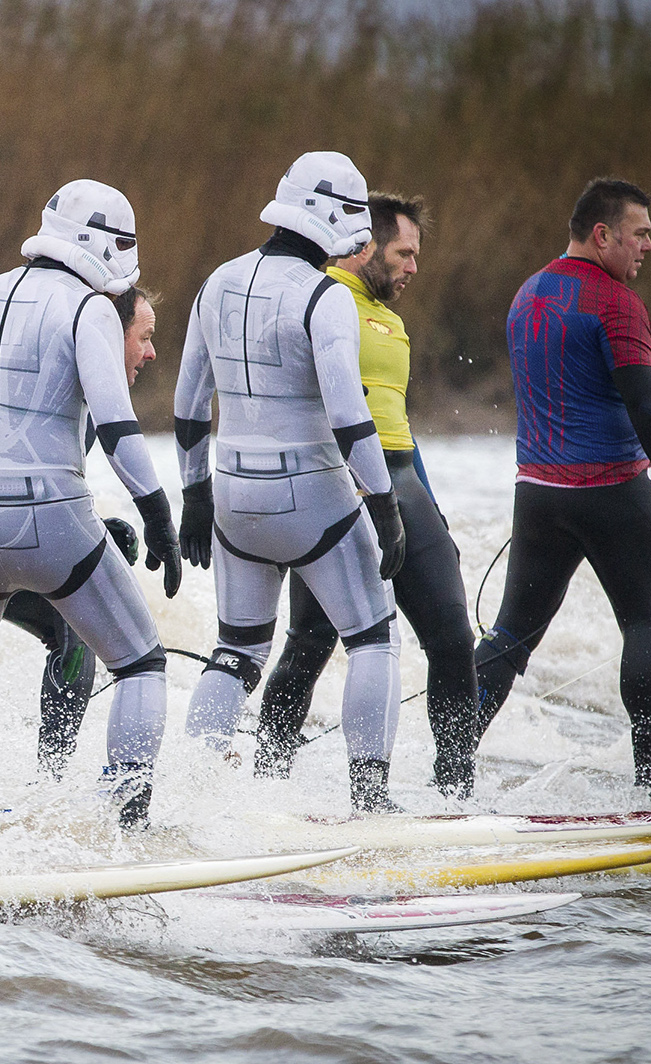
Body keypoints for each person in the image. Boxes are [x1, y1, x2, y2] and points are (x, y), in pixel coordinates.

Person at [0, 180, 182, 829]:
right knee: (140, 663)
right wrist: (158, 515)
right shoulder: (90, 311)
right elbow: (115, 425)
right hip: (53, 517)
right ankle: (128, 830)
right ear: (110, 246)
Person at [176, 151, 408, 813]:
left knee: (237, 649)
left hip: (232, 497)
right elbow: (346, 409)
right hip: (314, 497)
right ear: (339, 220)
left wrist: (193, 495)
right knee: (371, 636)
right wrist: (385, 503)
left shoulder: (216, 282)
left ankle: (191, 796)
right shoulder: (325, 296)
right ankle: (371, 801)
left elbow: (191, 402)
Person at [474, 178, 651, 807]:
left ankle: (448, 769)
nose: (649, 247)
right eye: (640, 234)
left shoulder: (527, 294)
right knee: (645, 621)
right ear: (602, 234)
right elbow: (649, 405)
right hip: (611, 493)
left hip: (538, 497)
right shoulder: (615, 302)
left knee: (510, 636)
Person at [251, 194, 480, 797]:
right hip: (338, 489)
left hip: (402, 482)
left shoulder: (392, 321)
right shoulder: (318, 296)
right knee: (309, 646)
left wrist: (431, 506)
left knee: (454, 642)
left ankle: (455, 793)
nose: (413, 267)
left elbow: (396, 419)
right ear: (367, 243)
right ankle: (265, 786)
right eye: (404, 253)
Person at [0, 287, 157, 779]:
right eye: (143, 337)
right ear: (108, 331)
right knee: (76, 630)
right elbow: (35, 501)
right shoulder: (85, 376)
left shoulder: (40, 358)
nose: (150, 352)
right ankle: (51, 779)